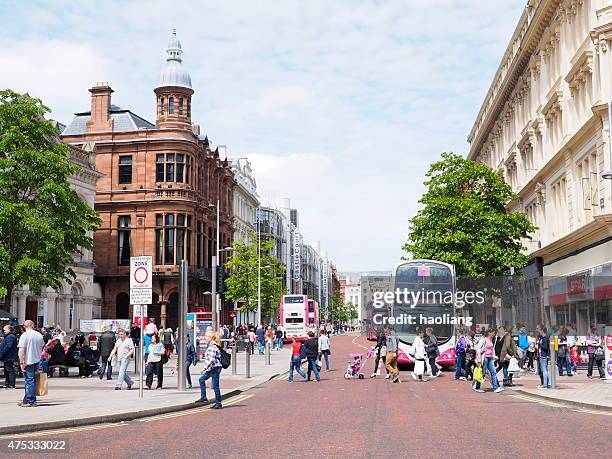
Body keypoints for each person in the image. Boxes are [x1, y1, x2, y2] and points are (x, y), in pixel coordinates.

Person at [16, 320, 44, 407]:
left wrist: (21, 362)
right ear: (33, 325)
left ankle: (31, 401)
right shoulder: (39, 335)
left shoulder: (24, 335)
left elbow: (21, 350)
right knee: (32, 381)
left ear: (25, 326)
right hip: (37, 360)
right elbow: (42, 346)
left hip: (28, 361)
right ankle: (26, 399)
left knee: (29, 381)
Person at [196, 331, 223, 409]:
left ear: (210, 338)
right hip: (211, 368)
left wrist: (203, 368)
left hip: (215, 368)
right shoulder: (211, 346)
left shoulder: (213, 347)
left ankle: (218, 403)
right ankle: (204, 397)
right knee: (201, 380)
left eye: (206, 337)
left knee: (215, 386)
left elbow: (211, 359)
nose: (205, 338)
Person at [481, 328, 503, 393]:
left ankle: (495, 388)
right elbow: (478, 348)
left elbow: (491, 350)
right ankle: (476, 385)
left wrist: (494, 356)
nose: (494, 334)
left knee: (493, 372)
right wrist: (482, 351)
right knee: (483, 373)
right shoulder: (483, 339)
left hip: (490, 358)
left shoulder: (491, 340)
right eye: (493, 333)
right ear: (489, 333)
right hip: (485, 358)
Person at [0, 325, 18, 389]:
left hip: (9, 357)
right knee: (7, 370)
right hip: (7, 357)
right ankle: (7, 383)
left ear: (9, 330)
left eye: (5, 330)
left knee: (9, 370)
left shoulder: (10, 337)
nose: (3, 331)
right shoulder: (9, 336)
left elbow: (8, 346)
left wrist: (2, 353)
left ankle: (11, 384)